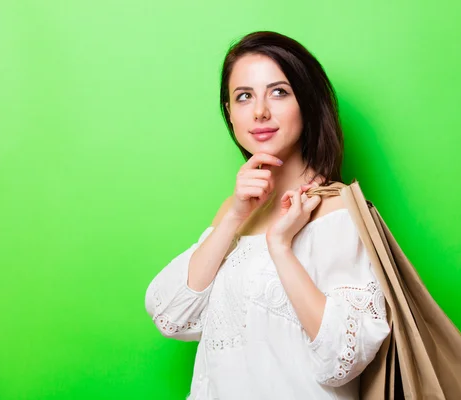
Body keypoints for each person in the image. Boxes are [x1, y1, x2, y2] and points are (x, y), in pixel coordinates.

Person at [145, 31, 390, 400]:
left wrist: (280, 246)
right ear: (230, 113)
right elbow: (171, 315)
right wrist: (233, 217)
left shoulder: (336, 209)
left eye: (279, 92)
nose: (260, 111)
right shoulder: (234, 212)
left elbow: (345, 355)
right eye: (244, 96)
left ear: (306, 103)